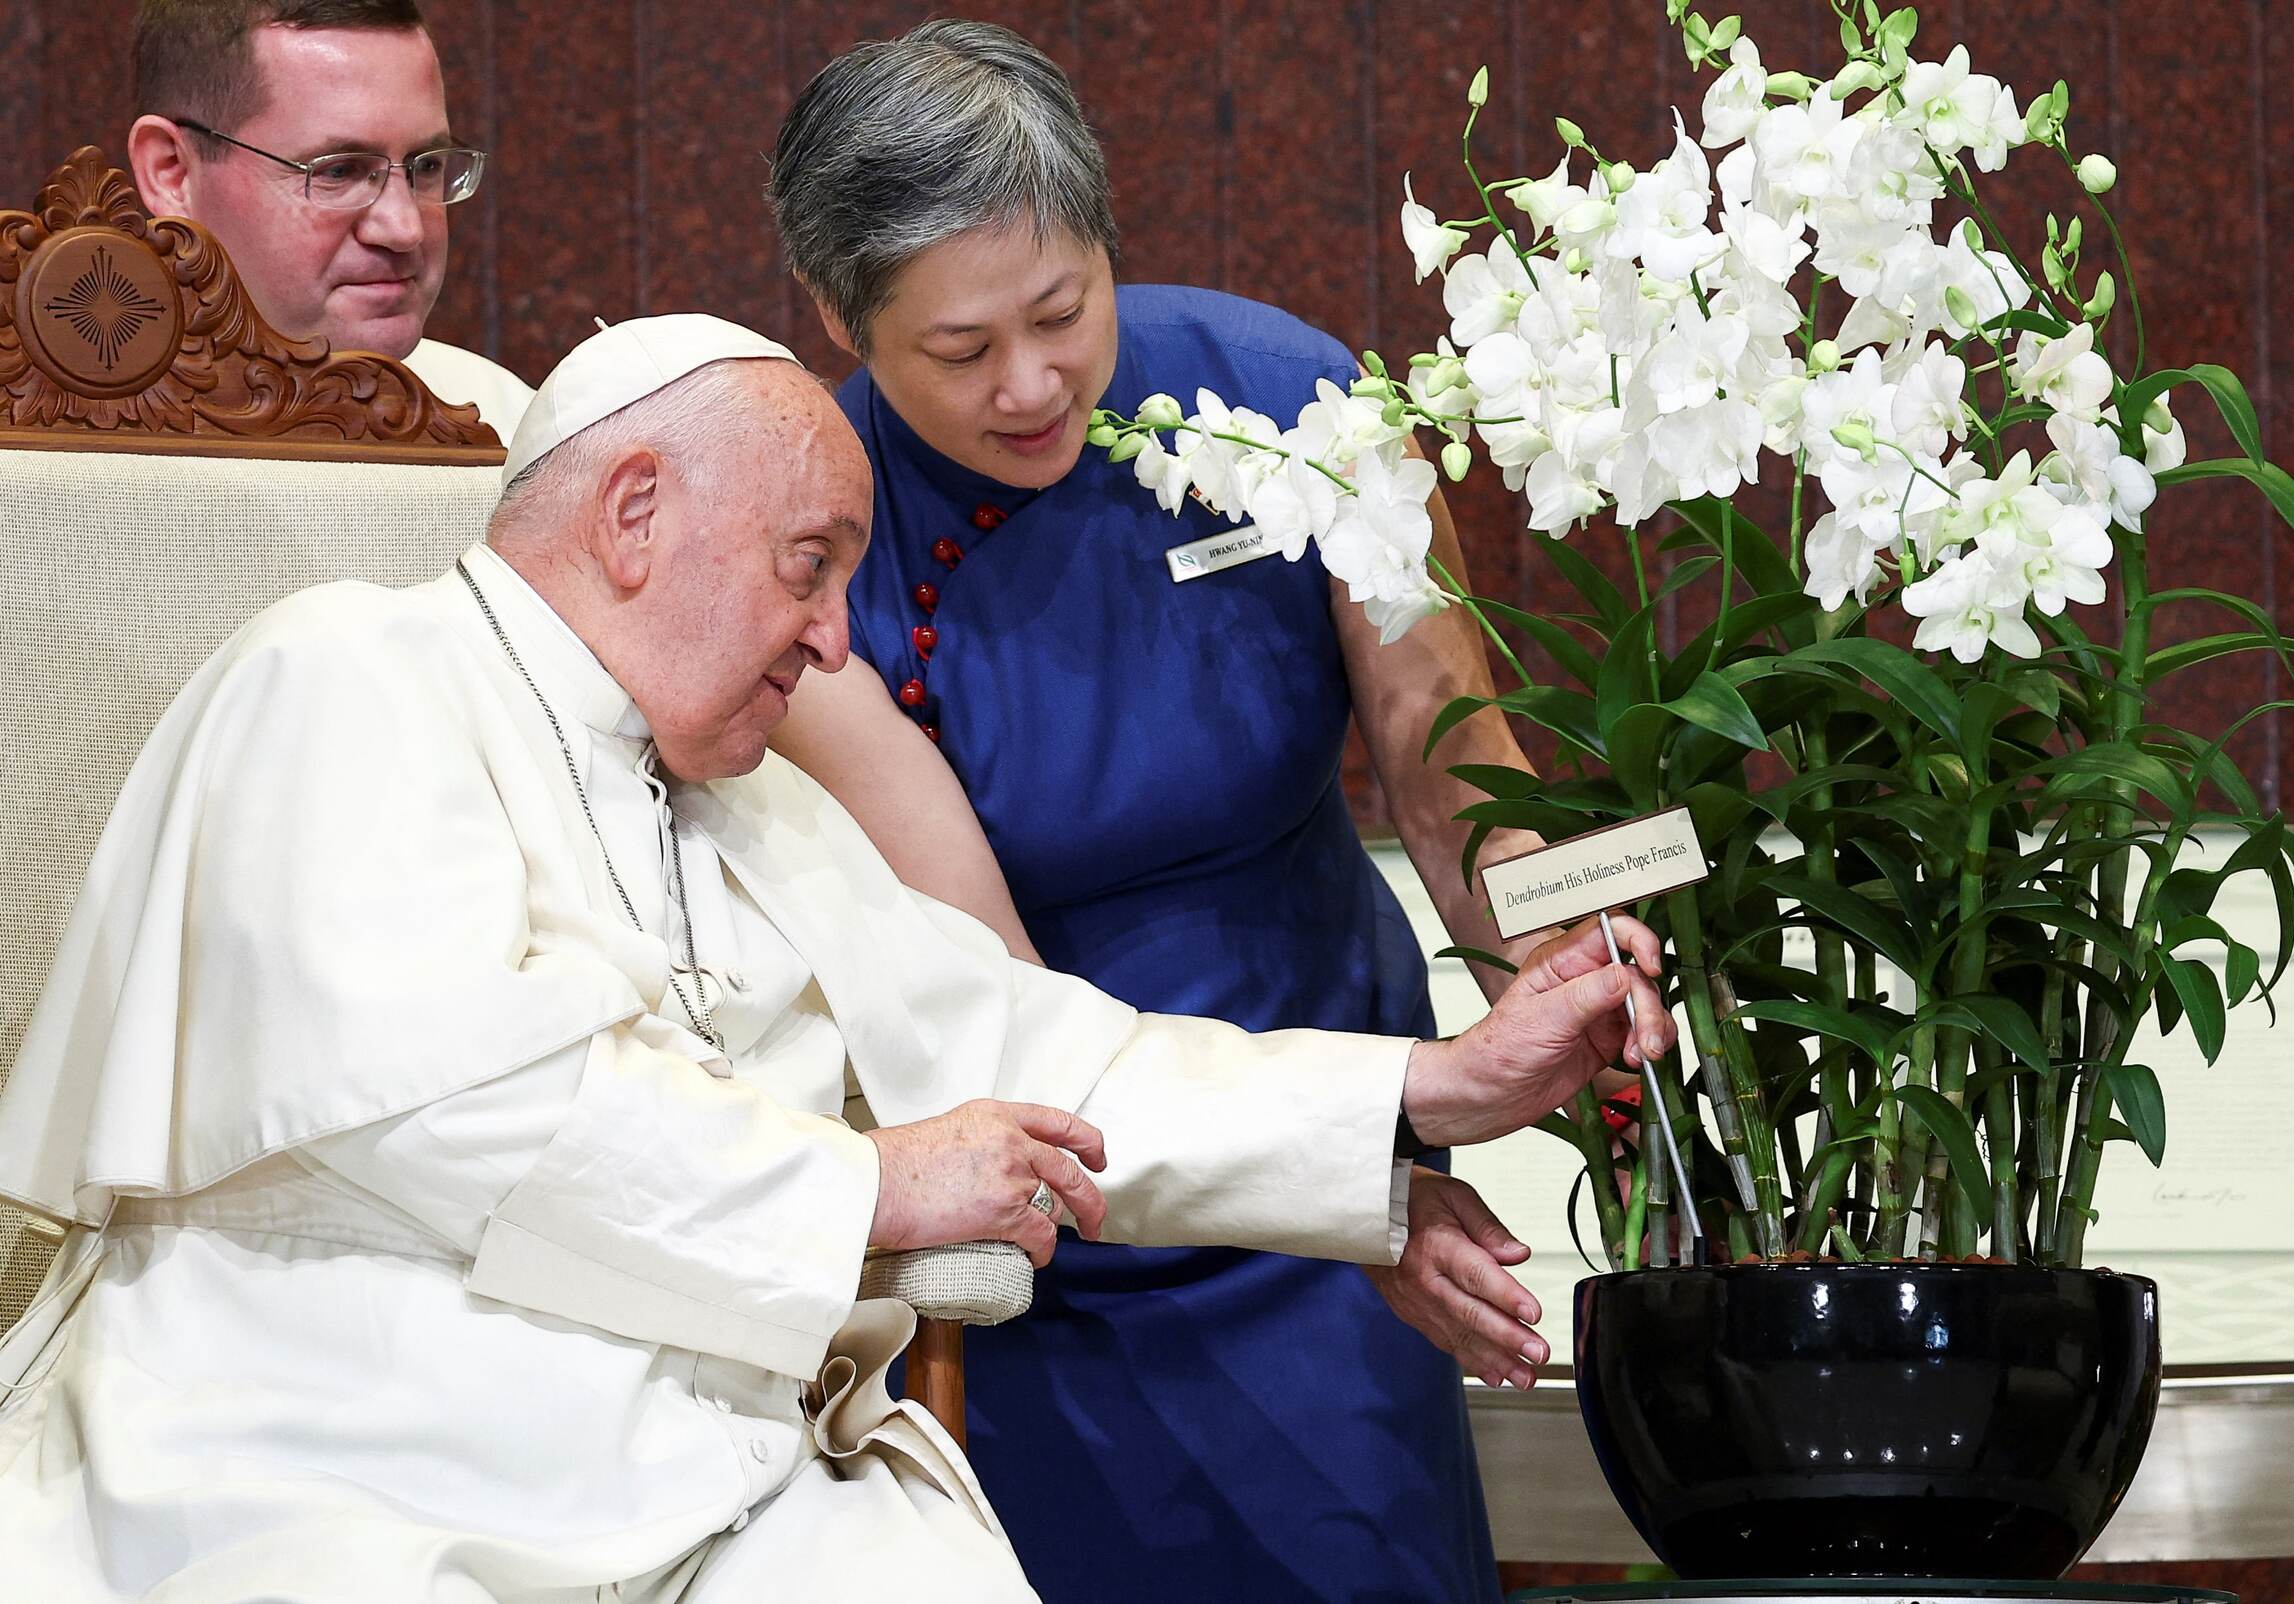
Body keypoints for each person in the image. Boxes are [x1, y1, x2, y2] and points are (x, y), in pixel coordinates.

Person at [0, 314, 1672, 1603]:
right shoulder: (351, 672)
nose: (828, 643)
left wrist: (1435, 1085)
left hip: (689, 1450)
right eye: (809, 570)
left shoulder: (743, 801)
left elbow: (1030, 1045)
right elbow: (441, 1108)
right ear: (635, 510)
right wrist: (867, 1184)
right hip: (335, 1425)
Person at [764, 22, 1649, 1601]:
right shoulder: (820, 545)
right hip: (1052, 1210)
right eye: (960, 353)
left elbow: (1461, 785)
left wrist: (1566, 953)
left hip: (1356, 1166)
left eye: (1063, 311)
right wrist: (1357, 1185)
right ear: (840, 318)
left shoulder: (1291, 402)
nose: (1033, 386)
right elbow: (1000, 1000)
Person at [123, 0, 532, 441]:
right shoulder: (66, 465)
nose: (404, 229)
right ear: (173, 173)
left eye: (426, 166)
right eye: (339, 171)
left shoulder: (517, 435)